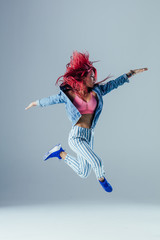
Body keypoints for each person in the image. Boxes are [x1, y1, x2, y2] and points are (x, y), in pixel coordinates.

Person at [25, 51, 148, 192]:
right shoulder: (69, 94)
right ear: (83, 78)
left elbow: (114, 84)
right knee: (97, 162)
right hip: (76, 136)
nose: (94, 78)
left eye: (94, 75)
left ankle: (59, 153)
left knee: (83, 172)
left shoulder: (98, 91)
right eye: (91, 76)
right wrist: (36, 103)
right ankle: (102, 180)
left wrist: (130, 73)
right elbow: (52, 99)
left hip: (89, 136)